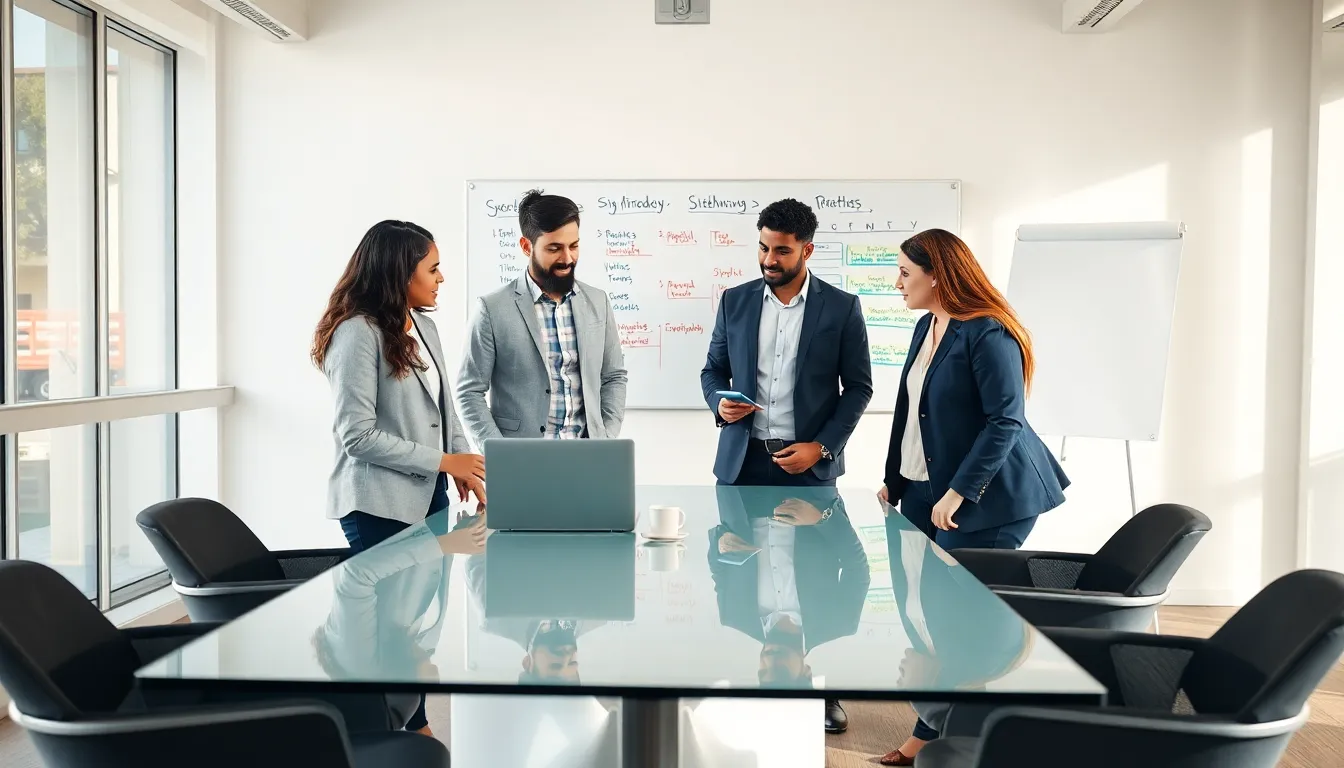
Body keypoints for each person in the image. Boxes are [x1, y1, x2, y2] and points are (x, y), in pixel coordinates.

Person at [876, 228, 1068, 765]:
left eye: (905, 273)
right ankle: (937, 729)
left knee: (960, 620)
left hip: (990, 498)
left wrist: (959, 491)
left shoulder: (988, 332)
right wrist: (896, 478)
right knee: (921, 608)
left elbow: (1006, 421)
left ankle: (958, 737)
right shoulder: (927, 325)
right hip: (926, 487)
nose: (897, 283)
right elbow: (912, 411)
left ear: (937, 276)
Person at [700, 197, 873, 733]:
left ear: (807, 251)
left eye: (781, 251)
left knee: (811, 558)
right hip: (742, 461)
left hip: (809, 463)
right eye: (763, 248)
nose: (768, 260)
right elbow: (712, 370)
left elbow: (859, 388)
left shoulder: (841, 308)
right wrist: (719, 402)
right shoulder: (734, 301)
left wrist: (822, 448)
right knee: (756, 550)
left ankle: (825, 697)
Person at [312, 219, 487, 735]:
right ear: (399, 272)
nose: (441, 277)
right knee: (388, 630)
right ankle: (394, 731)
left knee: (413, 620)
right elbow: (357, 436)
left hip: (428, 495)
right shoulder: (356, 333)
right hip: (375, 502)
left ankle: (414, 726)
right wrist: (444, 463)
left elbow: (445, 409)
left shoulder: (422, 325)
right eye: (432, 268)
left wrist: (464, 463)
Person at [456, 189, 628, 448]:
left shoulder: (598, 301)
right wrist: (500, 453)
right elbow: (469, 392)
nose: (568, 258)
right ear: (527, 246)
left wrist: (605, 437)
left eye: (574, 246)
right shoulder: (491, 309)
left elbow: (614, 376)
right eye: (554, 248)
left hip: (588, 455)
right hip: (521, 458)